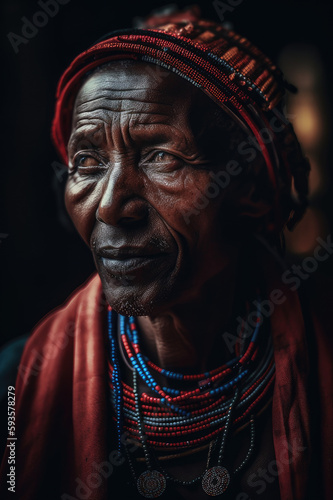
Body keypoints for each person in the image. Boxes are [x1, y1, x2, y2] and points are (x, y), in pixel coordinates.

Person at [0, 5, 332, 500]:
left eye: (161, 157)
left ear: (253, 191)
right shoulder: (14, 387)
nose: (112, 206)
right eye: (87, 161)